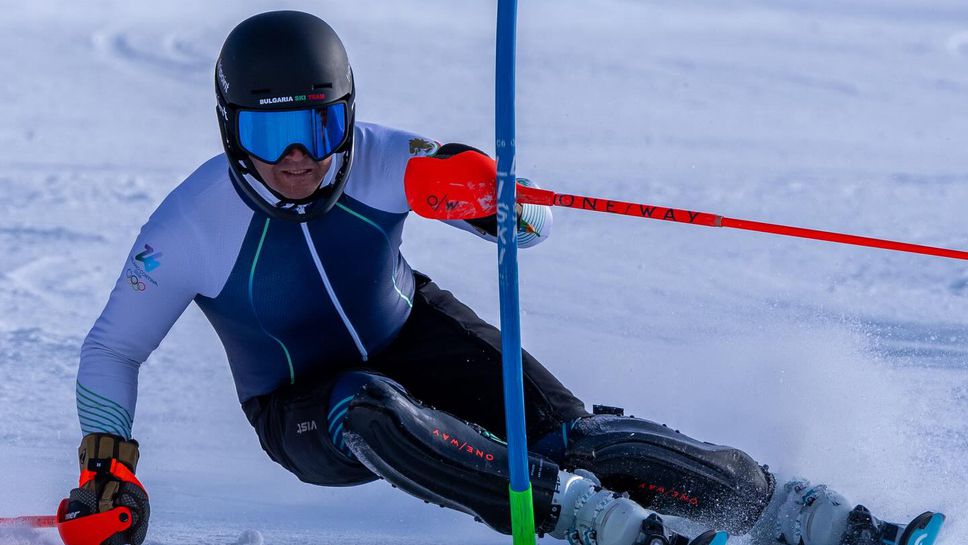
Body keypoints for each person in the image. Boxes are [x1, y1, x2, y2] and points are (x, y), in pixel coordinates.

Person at [66, 10, 939, 545]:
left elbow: (533, 223)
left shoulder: (377, 158)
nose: (297, 158)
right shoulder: (190, 223)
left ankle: (794, 512)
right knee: (365, 401)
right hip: (304, 408)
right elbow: (112, 347)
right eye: (267, 137)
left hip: (418, 332)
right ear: (230, 134)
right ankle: (588, 522)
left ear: (348, 116)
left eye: (318, 126)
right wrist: (110, 465)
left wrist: (489, 199)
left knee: (574, 434)